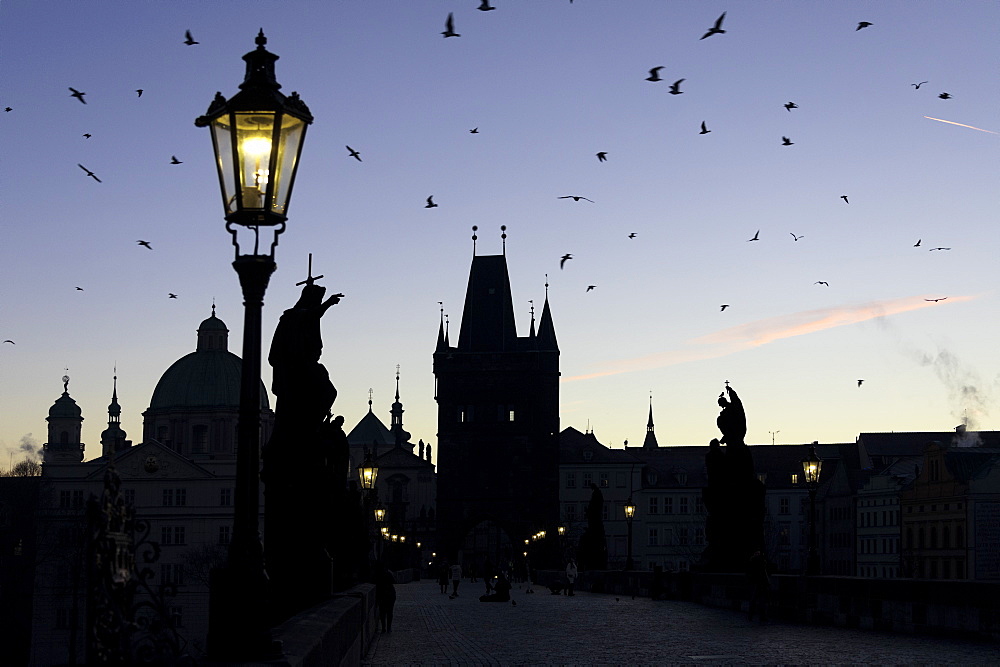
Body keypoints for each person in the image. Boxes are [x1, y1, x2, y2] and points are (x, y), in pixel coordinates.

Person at [746, 550, 770, 623]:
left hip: (754, 583)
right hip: (761, 583)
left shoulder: (751, 561)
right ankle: (762, 616)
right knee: (762, 601)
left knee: (753, 600)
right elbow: (764, 572)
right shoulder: (761, 562)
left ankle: (750, 616)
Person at [374, 562, 396, 633]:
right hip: (389, 595)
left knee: (382, 612)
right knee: (389, 612)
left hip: (382, 595)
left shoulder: (377, 575)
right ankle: (388, 628)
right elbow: (394, 581)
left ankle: (384, 627)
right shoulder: (388, 573)